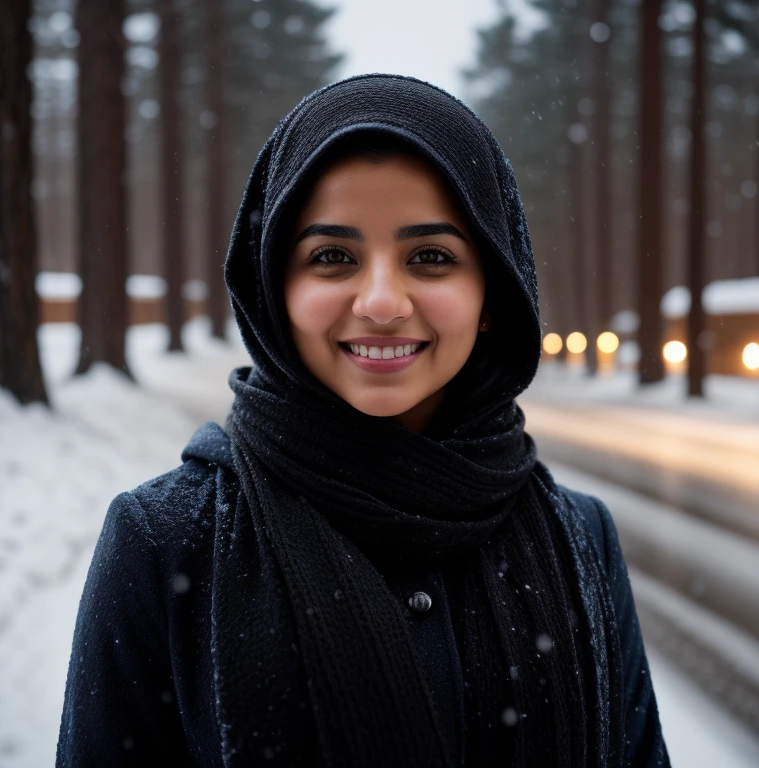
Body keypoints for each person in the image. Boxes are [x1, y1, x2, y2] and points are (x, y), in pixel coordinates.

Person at [57, 74, 670, 767]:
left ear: (492, 292)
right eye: (333, 257)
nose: (381, 301)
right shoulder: (167, 542)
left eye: (431, 257)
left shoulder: (579, 537)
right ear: (274, 289)